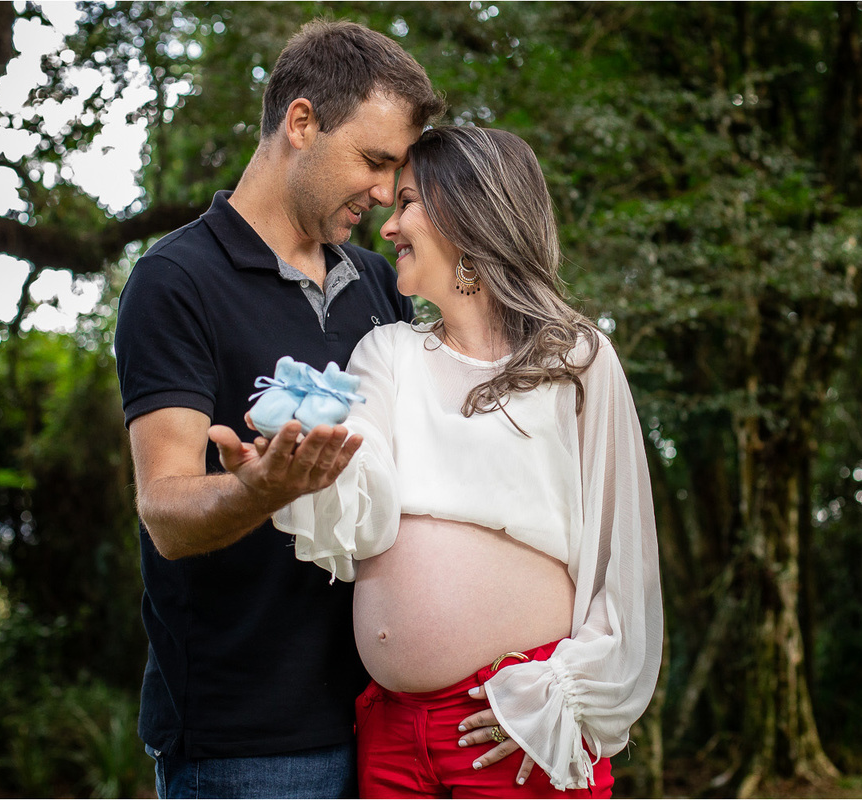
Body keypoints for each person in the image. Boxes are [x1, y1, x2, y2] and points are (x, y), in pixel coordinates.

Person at [273, 126, 664, 798]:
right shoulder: (386, 352)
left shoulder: (577, 361)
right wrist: (307, 455)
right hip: (393, 739)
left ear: (466, 209)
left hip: (516, 725)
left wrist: (563, 696)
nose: (389, 225)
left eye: (407, 202)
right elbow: (358, 503)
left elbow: (619, 558)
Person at [113, 20, 444, 799]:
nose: (385, 191)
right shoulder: (175, 282)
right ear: (301, 123)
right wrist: (261, 491)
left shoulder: (374, 283)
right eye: (374, 160)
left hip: (384, 719)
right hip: (248, 748)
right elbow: (164, 509)